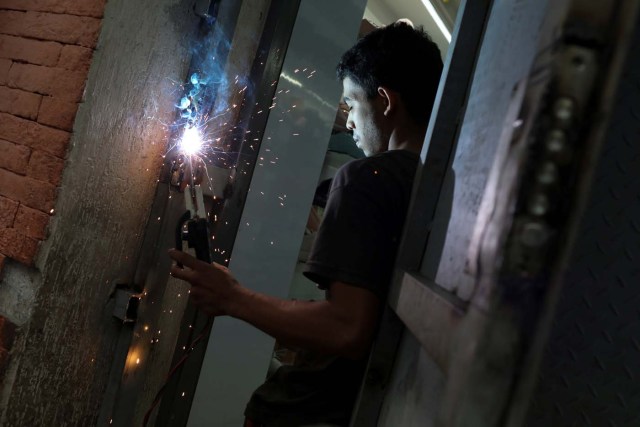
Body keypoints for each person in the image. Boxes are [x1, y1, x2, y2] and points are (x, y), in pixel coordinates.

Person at [169, 20, 443, 427]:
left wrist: (233, 298)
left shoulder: (366, 178)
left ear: (385, 101)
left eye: (351, 104)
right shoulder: (437, 185)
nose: (347, 121)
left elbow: (348, 328)